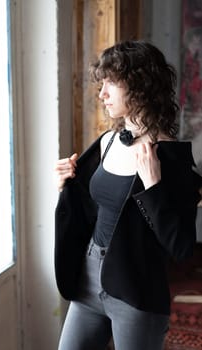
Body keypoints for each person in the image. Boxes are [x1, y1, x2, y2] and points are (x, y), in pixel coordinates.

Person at [54, 40, 202, 350]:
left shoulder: (171, 159)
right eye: (102, 83)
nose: (102, 94)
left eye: (111, 83)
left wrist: (153, 187)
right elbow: (89, 206)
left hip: (136, 292)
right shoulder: (108, 142)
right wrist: (65, 184)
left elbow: (182, 247)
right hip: (88, 282)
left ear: (140, 86)